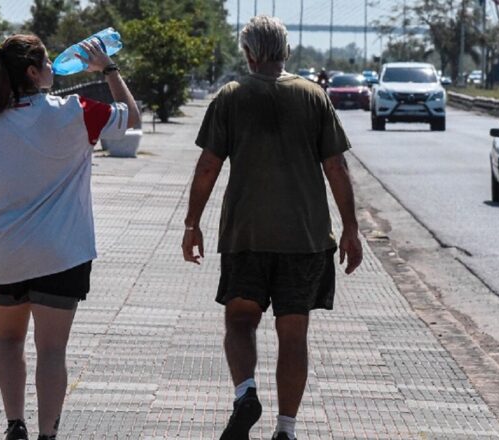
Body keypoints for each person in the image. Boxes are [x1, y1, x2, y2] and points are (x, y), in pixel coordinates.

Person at [0, 34, 139, 440]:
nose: (54, 68)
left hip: (3, 255)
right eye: (48, 63)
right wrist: (107, 68)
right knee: (52, 351)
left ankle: (14, 425)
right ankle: (47, 434)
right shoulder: (75, 111)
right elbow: (131, 118)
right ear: (33, 73)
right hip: (61, 254)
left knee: (9, 341)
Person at [181, 16, 363, 440]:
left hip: (246, 235)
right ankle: (286, 429)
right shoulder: (314, 97)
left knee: (240, 321)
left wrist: (193, 224)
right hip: (305, 239)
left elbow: (208, 165)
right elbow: (336, 166)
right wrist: (351, 228)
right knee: (293, 332)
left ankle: (246, 393)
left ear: (248, 54)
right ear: (286, 52)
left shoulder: (230, 97)